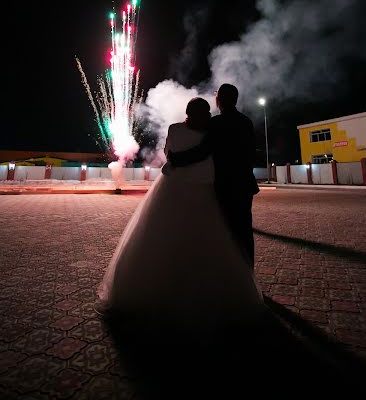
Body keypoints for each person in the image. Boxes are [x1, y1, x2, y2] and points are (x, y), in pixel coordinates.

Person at [96, 96, 264, 342]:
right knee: (231, 235)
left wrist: (176, 161)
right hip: (222, 186)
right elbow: (233, 152)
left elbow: (180, 152)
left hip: (179, 186)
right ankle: (245, 277)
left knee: (166, 237)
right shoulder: (237, 123)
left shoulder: (189, 128)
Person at [167, 83, 259, 268]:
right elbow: (251, 153)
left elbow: (202, 151)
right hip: (245, 184)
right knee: (244, 230)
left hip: (225, 185)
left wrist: (175, 158)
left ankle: (232, 274)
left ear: (219, 100)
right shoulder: (246, 122)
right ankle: (248, 275)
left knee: (226, 232)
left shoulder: (217, 123)